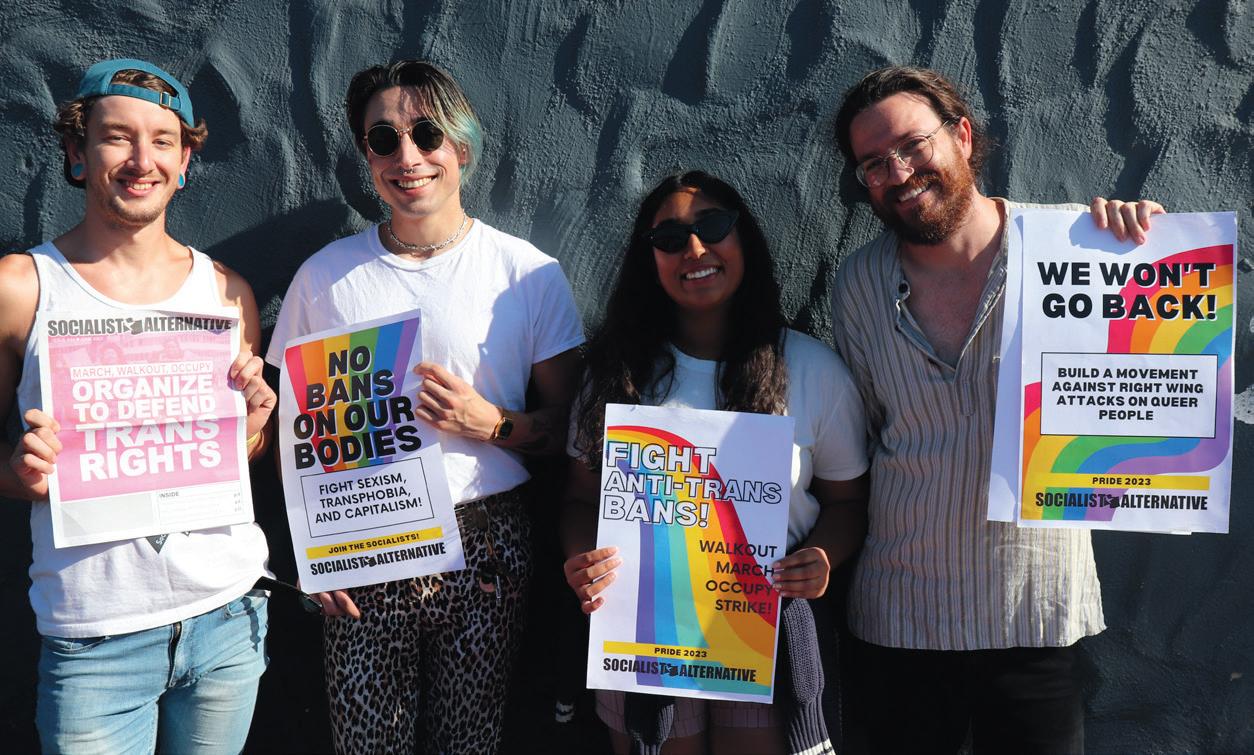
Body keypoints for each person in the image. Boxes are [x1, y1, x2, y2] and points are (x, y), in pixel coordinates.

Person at [829, 65, 1164, 754]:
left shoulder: (1076, 247)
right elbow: (866, 433)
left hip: (1033, 613)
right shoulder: (857, 282)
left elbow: (1150, 385)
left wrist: (1144, 250)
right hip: (900, 619)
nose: (898, 172)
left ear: (961, 134)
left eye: (912, 145)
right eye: (874, 165)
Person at [265, 59, 583, 754]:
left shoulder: (527, 273)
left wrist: (494, 424)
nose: (407, 156)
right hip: (363, 543)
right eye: (384, 139)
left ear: (461, 145)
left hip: (486, 543)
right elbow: (294, 435)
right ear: (367, 156)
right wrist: (310, 555)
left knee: (469, 742)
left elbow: (574, 430)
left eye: (427, 134)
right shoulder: (324, 277)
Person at [0, 58, 276, 753]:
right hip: (94, 639)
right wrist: (20, 474)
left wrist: (252, 428)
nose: (141, 160)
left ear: (185, 162)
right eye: (117, 137)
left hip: (227, 618)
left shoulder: (226, 292)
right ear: (77, 151)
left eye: (162, 141)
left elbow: (238, 456)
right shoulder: (20, 287)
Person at [562, 171, 869, 755]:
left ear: (743, 236)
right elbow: (579, 498)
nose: (695, 249)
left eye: (713, 226)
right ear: (650, 259)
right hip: (641, 638)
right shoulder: (613, 374)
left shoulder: (812, 369)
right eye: (670, 238)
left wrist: (823, 557)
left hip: (764, 635)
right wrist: (580, 559)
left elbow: (849, 501)